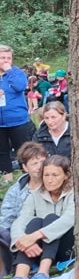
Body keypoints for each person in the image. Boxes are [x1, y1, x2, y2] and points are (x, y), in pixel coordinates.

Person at [7, 155, 75, 279]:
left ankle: (42, 275)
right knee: (34, 221)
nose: (50, 179)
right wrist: (23, 242)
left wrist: (36, 235)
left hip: (64, 250)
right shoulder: (36, 194)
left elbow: (69, 220)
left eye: (55, 175)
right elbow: (21, 220)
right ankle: (20, 277)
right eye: (46, 175)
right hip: (37, 251)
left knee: (51, 219)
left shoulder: (73, 194)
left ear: (66, 176)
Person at [0, 142, 47, 272]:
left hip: (41, 232)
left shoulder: (52, 183)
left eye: (42, 162)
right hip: (18, 234)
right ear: (25, 167)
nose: (39, 167)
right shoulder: (17, 189)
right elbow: (7, 218)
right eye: (34, 164)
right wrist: (20, 239)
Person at [0, 45, 36, 183]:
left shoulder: (17, 73)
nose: (5, 61)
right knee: (2, 151)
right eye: (2, 58)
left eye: (8, 58)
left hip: (18, 120)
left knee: (23, 150)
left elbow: (20, 86)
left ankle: (28, 179)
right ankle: (6, 182)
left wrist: (9, 71)